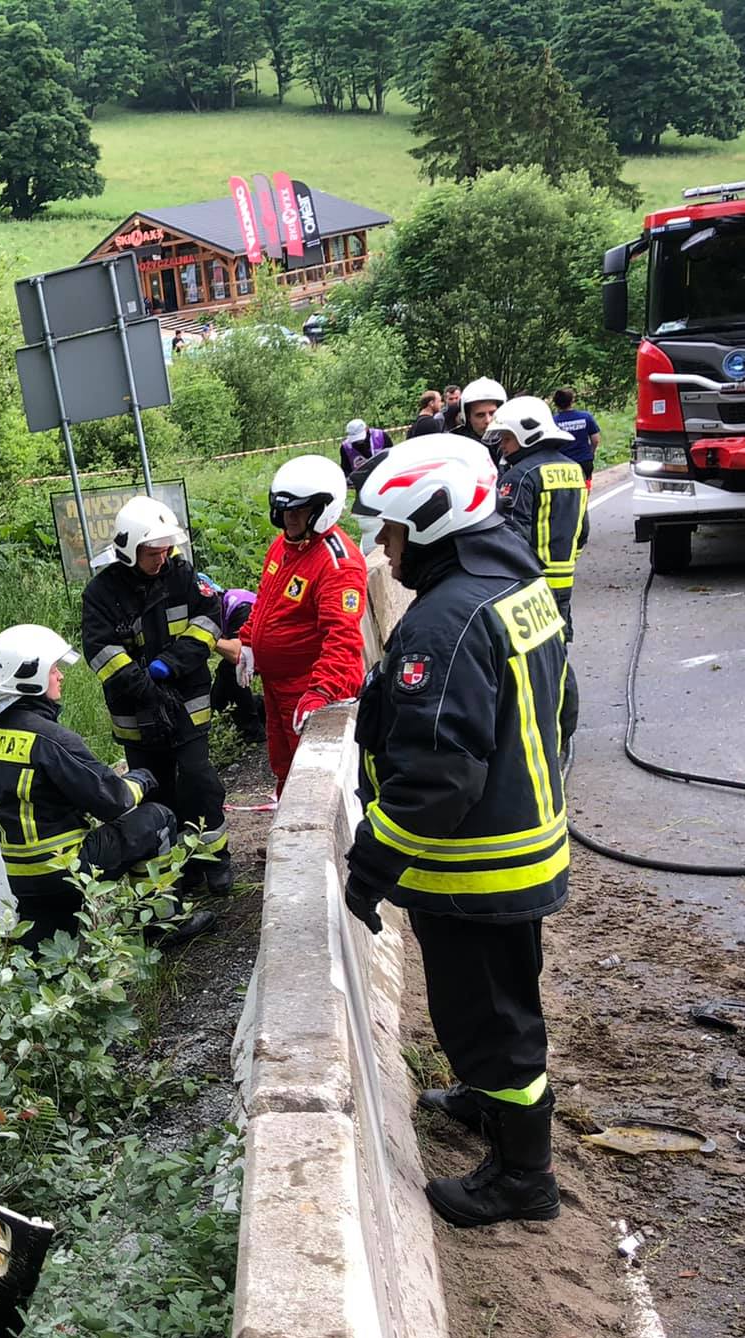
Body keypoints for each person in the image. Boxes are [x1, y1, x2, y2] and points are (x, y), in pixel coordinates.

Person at [345, 434, 570, 1228]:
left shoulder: (445, 623)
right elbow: (563, 712)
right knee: (499, 1001)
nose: (383, 546)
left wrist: (370, 869)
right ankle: (485, 1103)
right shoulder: (519, 587)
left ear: (433, 522)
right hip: (521, 846)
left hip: (475, 870)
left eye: (392, 530)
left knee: (491, 1021)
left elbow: (437, 776)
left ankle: (521, 1179)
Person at [0, 624, 217, 951]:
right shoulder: (52, 740)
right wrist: (142, 778)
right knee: (157, 819)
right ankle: (163, 926)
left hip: (20, 875)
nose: (60, 676)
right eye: (54, 669)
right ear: (32, 675)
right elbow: (115, 801)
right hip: (67, 868)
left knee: (51, 955)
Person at [81, 497, 237, 895]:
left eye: (167, 550)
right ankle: (173, 875)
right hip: (136, 714)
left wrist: (170, 665)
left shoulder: (183, 577)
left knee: (199, 781)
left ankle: (215, 859)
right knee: (156, 790)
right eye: (153, 552)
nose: (162, 559)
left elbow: (208, 622)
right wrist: (143, 685)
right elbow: (100, 651)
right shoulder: (101, 593)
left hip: (187, 704)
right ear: (130, 551)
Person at [239, 455, 369, 792]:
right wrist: (250, 641)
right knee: (284, 766)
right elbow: (266, 598)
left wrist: (321, 692)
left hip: (309, 687)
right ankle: (288, 833)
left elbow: (342, 638)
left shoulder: (337, 564)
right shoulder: (285, 546)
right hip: (277, 685)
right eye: (284, 510)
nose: (288, 518)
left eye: (298, 510)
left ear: (323, 509)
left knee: (314, 778)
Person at [488, 395, 587, 639]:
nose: (502, 445)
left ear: (526, 435)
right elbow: (583, 531)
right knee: (558, 652)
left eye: (507, 438)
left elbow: (511, 536)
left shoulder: (520, 476)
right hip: (564, 582)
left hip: (530, 585)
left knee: (534, 658)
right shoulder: (574, 469)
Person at [207, 584, 266, 743]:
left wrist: (204, 636)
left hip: (275, 651)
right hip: (261, 650)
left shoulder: (240, 606)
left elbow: (237, 654)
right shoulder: (225, 605)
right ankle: (214, 716)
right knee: (224, 672)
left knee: (232, 670)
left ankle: (253, 731)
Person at [551, 388, 600, 507]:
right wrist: (591, 453)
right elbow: (595, 439)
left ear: (556, 403)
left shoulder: (553, 422)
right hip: (584, 461)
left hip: (562, 464)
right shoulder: (586, 417)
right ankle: (582, 510)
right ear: (572, 401)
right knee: (584, 489)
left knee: (565, 494)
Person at [450, 376, 507, 462]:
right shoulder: (455, 446)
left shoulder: (514, 441)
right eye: (480, 415)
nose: (488, 420)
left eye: (493, 413)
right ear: (468, 417)